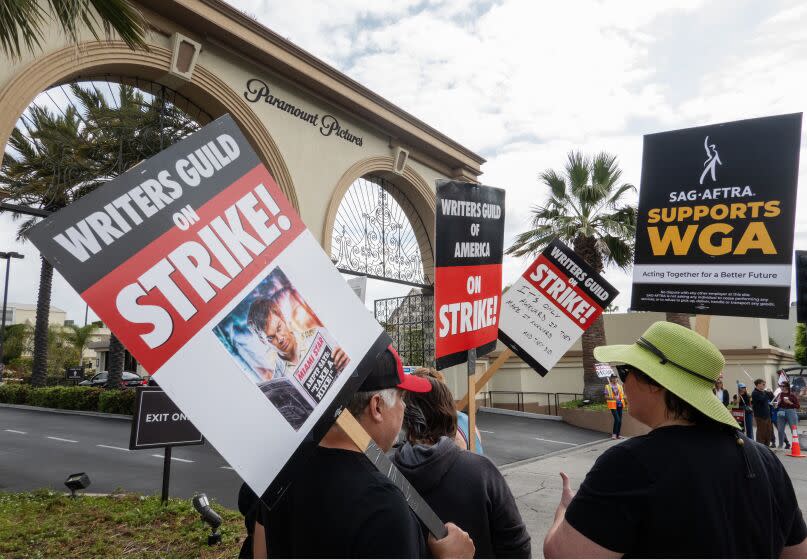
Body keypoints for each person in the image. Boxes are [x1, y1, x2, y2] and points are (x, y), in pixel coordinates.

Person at [543, 321, 807, 558]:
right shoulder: (764, 459)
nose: (623, 384)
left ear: (655, 382)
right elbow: (797, 553)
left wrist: (565, 511)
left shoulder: (628, 463)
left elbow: (564, 555)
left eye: (626, 372)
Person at [252, 346, 475, 559]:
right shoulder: (384, 505)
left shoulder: (282, 477)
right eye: (401, 398)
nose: (404, 407)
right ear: (376, 407)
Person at [392, 367, 531, 558]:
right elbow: (517, 547)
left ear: (405, 418)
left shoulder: (383, 473)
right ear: (450, 413)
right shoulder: (483, 471)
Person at [247, 294, 349, 379]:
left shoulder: (321, 335)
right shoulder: (280, 379)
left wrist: (348, 358)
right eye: (271, 338)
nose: (280, 338)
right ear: (263, 341)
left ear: (282, 318)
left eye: (279, 327)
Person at [777, 381, 800, 451]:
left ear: (787, 387)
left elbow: (797, 406)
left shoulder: (792, 395)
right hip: (781, 411)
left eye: (783, 386)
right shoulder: (779, 395)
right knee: (780, 429)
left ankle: (795, 445)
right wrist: (778, 402)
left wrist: (790, 402)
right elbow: (776, 405)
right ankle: (780, 445)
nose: (782, 387)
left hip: (791, 411)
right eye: (781, 386)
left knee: (793, 430)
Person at [604, 373, 627, 439]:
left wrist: (624, 398)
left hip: (620, 404)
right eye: (613, 378)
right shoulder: (608, 386)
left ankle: (618, 434)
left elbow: (622, 395)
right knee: (617, 419)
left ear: (617, 379)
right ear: (611, 379)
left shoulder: (620, 386)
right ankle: (614, 434)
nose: (615, 379)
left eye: (616, 378)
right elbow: (605, 396)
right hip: (612, 404)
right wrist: (613, 398)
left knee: (620, 420)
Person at [752, 379, 773, 447]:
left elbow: (772, 397)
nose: (764, 386)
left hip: (767, 415)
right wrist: (766, 392)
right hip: (760, 416)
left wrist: (770, 392)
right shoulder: (755, 393)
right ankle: (760, 446)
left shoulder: (763, 392)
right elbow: (762, 399)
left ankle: (767, 446)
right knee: (761, 432)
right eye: (763, 384)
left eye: (765, 384)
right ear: (758, 384)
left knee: (769, 431)